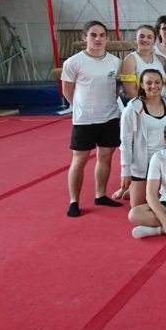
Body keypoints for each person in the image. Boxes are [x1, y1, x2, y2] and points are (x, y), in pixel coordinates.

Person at [61, 20, 123, 217]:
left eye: (102, 35)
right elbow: (67, 90)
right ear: (84, 37)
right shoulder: (73, 62)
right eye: (93, 35)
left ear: (107, 38)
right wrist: (80, 108)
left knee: (105, 156)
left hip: (109, 117)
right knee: (79, 160)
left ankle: (100, 194)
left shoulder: (115, 62)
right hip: (84, 120)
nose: (98, 39)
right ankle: (74, 201)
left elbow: (116, 88)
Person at [117, 69, 166, 206]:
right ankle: (134, 188)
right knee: (137, 208)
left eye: (157, 82)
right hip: (142, 163)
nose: (153, 86)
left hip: (164, 161)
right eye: (148, 83)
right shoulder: (131, 110)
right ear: (142, 85)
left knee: (163, 203)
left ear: (162, 84)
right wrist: (125, 171)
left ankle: (135, 190)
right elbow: (125, 142)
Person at [118, 24, 166, 102]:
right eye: (141, 36)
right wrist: (151, 106)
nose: (145, 39)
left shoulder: (161, 59)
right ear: (135, 39)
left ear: (154, 41)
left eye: (149, 37)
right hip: (142, 104)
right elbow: (131, 92)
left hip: (165, 102)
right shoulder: (130, 60)